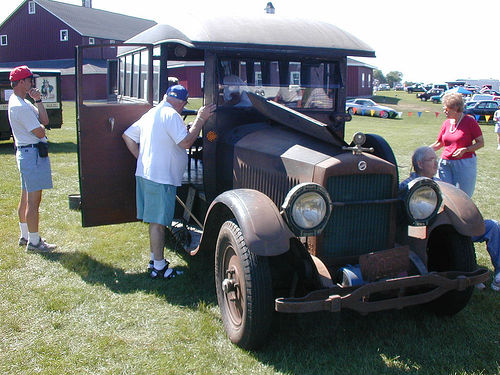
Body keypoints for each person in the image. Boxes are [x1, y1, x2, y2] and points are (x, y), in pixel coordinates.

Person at [122, 85, 215, 279]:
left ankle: (154, 260)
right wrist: (200, 119)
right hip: (160, 177)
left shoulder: (152, 113)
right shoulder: (171, 115)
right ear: (182, 103)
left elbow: (128, 136)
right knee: (158, 222)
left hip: (147, 174)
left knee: (155, 221)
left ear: (165, 96)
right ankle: (159, 268)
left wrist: (142, 159)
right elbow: (187, 143)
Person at [400, 146, 500, 291]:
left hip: (453, 229)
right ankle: (467, 271)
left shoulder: (440, 182)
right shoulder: (408, 187)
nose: (436, 163)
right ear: (420, 164)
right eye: (431, 160)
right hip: (432, 237)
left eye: (436, 159)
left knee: (492, 226)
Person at [8, 65, 56, 252]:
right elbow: (39, 131)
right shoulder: (20, 106)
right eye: (29, 80)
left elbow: (44, 121)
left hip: (27, 153)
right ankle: (34, 242)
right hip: (32, 154)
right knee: (34, 201)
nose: (32, 83)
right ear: (21, 82)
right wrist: (42, 130)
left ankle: (25, 235)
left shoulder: (22, 101)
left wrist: (38, 100)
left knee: (26, 197)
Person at [429, 92, 484, 197]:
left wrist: (466, 149)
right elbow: (439, 143)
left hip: (464, 163)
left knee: (463, 196)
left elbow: (481, 143)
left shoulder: (470, 122)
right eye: (444, 109)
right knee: (443, 194)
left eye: (447, 109)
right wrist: (423, 151)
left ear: (456, 108)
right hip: (445, 163)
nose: (444, 112)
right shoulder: (446, 123)